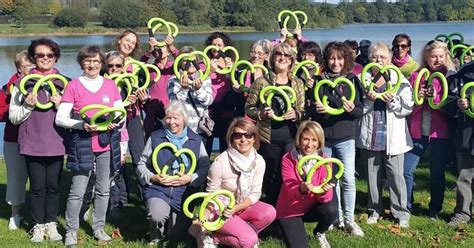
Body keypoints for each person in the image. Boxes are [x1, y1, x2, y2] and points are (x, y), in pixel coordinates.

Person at [56, 45, 124, 246]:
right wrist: (80, 125)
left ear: (101, 63)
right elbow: (61, 118)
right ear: (81, 63)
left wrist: (115, 122)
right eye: (88, 61)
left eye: (96, 61)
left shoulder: (110, 85)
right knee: (77, 191)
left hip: (105, 144)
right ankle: (71, 231)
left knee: (103, 190)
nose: (92, 64)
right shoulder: (74, 86)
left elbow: (119, 114)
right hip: (82, 144)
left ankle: (99, 228)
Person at [9, 38, 67, 242]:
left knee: (53, 186)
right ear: (33, 58)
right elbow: (14, 117)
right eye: (40, 55)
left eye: (49, 55)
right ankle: (37, 225)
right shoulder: (22, 83)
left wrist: (62, 105)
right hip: (32, 142)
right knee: (36, 186)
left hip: (57, 142)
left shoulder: (64, 82)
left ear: (56, 58)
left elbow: (73, 117)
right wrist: (27, 105)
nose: (45, 58)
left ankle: (51, 223)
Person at [306, 41, 365, 236]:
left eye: (340, 58)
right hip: (324, 138)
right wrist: (317, 110)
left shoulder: (352, 80)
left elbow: (360, 110)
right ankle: (335, 217)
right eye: (332, 58)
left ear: (346, 60)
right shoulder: (317, 80)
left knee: (348, 179)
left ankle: (349, 219)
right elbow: (310, 108)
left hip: (345, 137)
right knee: (330, 180)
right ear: (326, 59)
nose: (335, 62)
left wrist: (350, 109)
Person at [190, 117, 276, 247]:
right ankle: (214, 237)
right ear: (231, 139)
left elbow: (255, 193)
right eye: (237, 135)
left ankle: (229, 234)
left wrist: (236, 208)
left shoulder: (259, 161)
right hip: (221, 210)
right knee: (249, 241)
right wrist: (206, 216)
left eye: (248, 135)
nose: (243, 139)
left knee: (270, 213)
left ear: (254, 138)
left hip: (240, 206)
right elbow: (211, 196)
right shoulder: (220, 163)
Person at [136, 100, 210, 244]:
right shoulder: (156, 137)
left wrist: (190, 178)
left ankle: (174, 225)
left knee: (177, 236)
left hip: (184, 192)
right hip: (159, 189)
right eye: (168, 117)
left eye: (176, 118)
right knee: (157, 215)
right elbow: (141, 164)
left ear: (184, 119)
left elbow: (205, 167)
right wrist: (153, 177)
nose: (171, 122)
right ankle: (155, 233)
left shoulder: (196, 140)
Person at [357, 42, 413, 228]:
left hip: (393, 138)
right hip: (370, 136)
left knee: (396, 176)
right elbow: (357, 110)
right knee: (372, 177)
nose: (378, 60)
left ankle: (401, 212)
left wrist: (393, 101)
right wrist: (368, 99)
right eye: (375, 57)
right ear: (369, 60)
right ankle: (374, 209)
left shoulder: (400, 80)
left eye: (382, 57)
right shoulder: (360, 80)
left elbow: (407, 108)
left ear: (389, 60)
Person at [245, 43, 306, 205]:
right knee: (270, 175)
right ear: (272, 58)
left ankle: (286, 210)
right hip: (269, 136)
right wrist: (261, 114)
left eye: (287, 56)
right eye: (279, 54)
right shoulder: (261, 82)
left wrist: (296, 114)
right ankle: (270, 209)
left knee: (287, 174)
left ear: (292, 60)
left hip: (291, 136)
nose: (283, 58)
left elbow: (303, 110)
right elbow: (249, 107)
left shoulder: (298, 83)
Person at [403, 40, 457, 219]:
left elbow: (450, 105)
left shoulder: (449, 76)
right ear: (426, 57)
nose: (438, 60)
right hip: (418, 130)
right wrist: (418, 97)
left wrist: (436, 98)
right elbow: (409, 104)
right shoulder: (417, 75)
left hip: (439, 132)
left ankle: (435, 208)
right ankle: (407, 205)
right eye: (434, 56)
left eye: (441, 56)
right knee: (406, 170)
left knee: (437, 171)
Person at [276, 121, 338, 248]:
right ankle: (283, 227)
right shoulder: (288, 158)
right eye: (306, 139)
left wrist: (323, 191)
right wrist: (301, 189)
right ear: (299, 139)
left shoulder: (325, 161)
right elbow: (290, 189)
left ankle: (319, 232)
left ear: (319, 142)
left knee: (331, 209)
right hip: (291, 209)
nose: (309, 145)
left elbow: (326, 199)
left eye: (314, 140)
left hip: (311, 206)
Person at [0, 50, 33, 230]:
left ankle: (39, 213)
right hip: (14, 139)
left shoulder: (46, 83)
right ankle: (15, 214)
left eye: (33, 65)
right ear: (19, 69)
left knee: (39, 177)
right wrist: (14, 109)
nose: (32, 69)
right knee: (15, 177)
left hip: (39, 138)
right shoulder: (8, 88)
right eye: (28, 66)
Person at [445, 61, 474, 226]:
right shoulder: (463, 72)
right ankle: (462, 213)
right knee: (465, 175)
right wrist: (457, 103)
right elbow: (448, 99)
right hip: (467, 132)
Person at [168, 46, 213, 140]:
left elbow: (208, 101)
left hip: (201, 129)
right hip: (182, 129)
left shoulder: (205, 78)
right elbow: (174, 105)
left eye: (193, 60)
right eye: (186, 60)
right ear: (180, 63)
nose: (190, 63)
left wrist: (198, 89)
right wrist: (184, 89)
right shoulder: (173, 80)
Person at [204, 32, 239, 154]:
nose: (216, 48)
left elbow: (237, 84)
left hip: (226, 110)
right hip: (209, 111)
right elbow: (200, 82)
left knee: (226, 145)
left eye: (219, 44)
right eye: (213, 45)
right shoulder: (204, 63)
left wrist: (232, 69)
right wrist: (209, 70)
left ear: (225, 46)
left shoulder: (231, 62)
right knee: (207, 144)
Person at [141, 34, 179, 139]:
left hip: (170, 110)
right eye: (157, 49)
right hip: (152, 110)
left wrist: (172, 47)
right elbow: (138, 64)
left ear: (168, 52)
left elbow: (182, 59)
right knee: (151, 139)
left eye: (163, 49)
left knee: (171, 139)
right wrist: (149, 50)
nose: (160, 51)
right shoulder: (149, 68)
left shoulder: (173, 66)